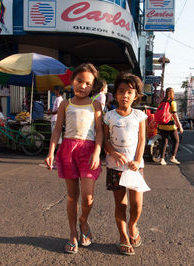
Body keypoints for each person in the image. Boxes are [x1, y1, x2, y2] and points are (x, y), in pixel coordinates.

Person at [44, 63, 103, 254]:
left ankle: (83, 221)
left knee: (87, 196)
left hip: (88, 151)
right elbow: (57, 129)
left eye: (88, 83)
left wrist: (96, 152)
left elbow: (100, 132)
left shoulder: (96, 104)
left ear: (93, 86)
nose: (82, 86)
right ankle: (72, 235)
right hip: (68, 149)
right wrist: (51, 152)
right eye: (79, 81)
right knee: (72, 196)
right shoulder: (65, 104)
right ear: (72, 81)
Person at [103, 72, 147, 256]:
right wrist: (113, 152)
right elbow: (105, 139)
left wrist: (137, 160)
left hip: (135, 168)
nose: (125, 96)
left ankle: (132, 225)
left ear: (136, 95)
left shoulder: (140, 115)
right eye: (121, 91)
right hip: (115, 167)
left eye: (130, 92)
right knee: (121, 205)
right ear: (115, 94)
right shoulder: (109, 116)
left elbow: (142, 139)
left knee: (136, 205)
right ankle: (123, 237)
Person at [157, 87, 183, 165]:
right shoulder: (172, 102)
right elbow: (174, 115)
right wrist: (180, 125)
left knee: (164, 141)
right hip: (170, 125)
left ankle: (162, 159)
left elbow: (158, 113)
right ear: (172, 93)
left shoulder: (162, 102)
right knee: (176, 140)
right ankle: (173, 157)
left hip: (161, 125)